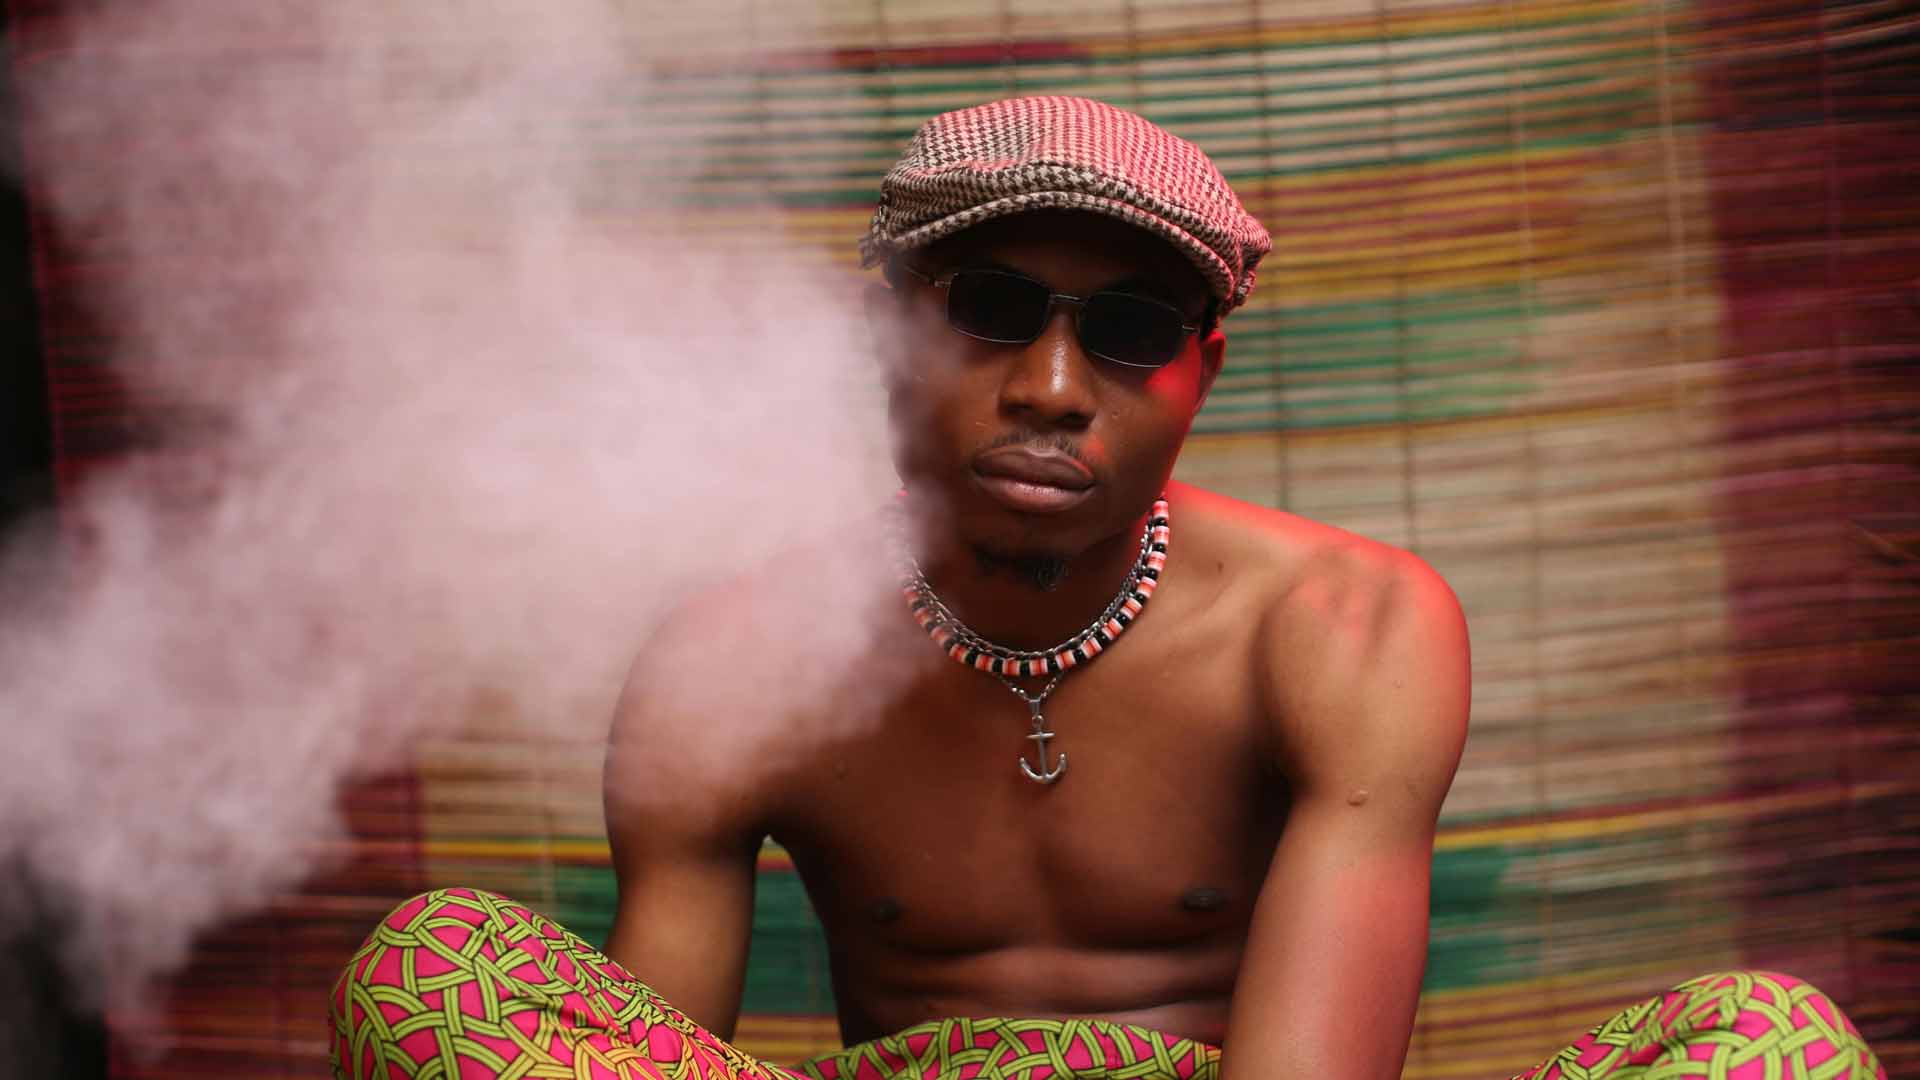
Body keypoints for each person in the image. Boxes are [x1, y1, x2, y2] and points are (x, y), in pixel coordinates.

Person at [330, 96, 1884, 1080]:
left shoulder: (1340, 627)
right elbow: (648, 1063)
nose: (1055, 385)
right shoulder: (735, 662)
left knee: (1767, 1047)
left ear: (1205, 370)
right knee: (431, 969)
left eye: (1131, 330)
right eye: (993, 310)